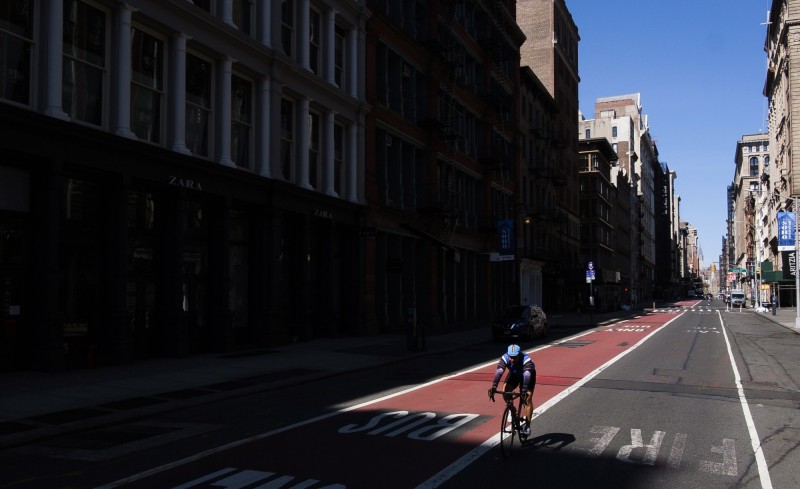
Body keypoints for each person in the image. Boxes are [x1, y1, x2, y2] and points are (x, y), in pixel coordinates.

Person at [487, 344, 536, 436]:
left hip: (528, 375)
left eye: (514, 357)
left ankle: (528, 427)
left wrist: (524, 390)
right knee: (505, 391)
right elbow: (499, 371)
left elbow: (527, 375)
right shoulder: (505, 358)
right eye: (511, 357)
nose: (512, 359)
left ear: (519, 355)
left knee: (527, 399)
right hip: (514, 374)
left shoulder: (526, 360)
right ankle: (512, 409)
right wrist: (494, 386)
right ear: (508, 355)